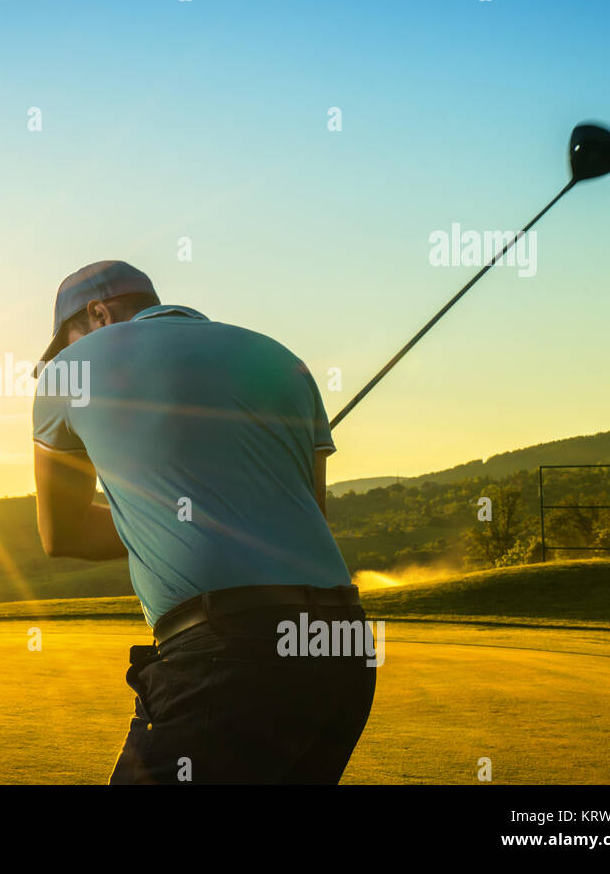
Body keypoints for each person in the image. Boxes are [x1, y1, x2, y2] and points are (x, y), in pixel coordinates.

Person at [31, 260, 375, 784]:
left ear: (98, 314)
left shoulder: (69, 372)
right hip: (340, 647)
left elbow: (62, 535)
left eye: (68, 339)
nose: (65, 354)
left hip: (228, 654)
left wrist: (167, 520)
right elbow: (306, 521)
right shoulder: (282, 359)